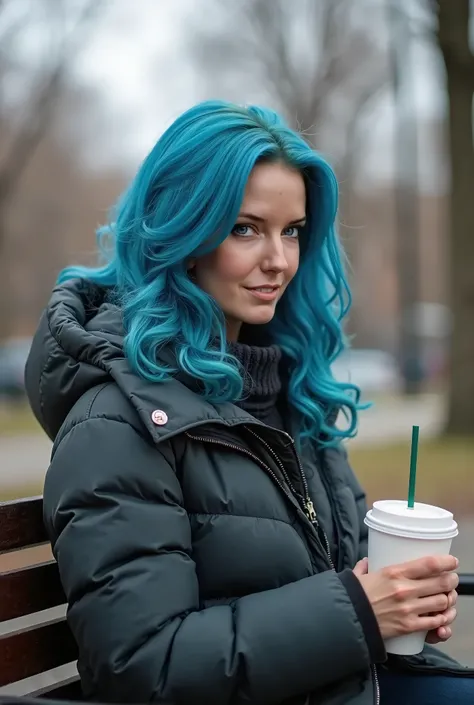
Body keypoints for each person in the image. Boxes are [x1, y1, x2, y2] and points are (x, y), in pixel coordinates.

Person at [25, 100, 473, 705]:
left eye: (292, 231)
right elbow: (141, 666)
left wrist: (404, 596)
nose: (279, 260)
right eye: (246, 229)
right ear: (184, 235)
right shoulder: (117, 423)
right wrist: (361, 613)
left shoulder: (287, 393)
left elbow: (349, 569)